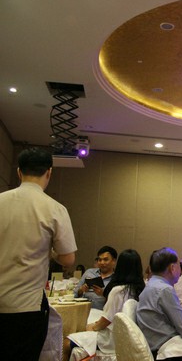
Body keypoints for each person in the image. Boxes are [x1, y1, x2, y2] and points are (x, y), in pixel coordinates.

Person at [0, 147, 77, 360]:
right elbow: (68, 259)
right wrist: (49, 252)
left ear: (19, 172)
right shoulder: (54, 208)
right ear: (49, 173)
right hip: (27, 306)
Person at [70, 249, 145, 359]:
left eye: (105, 259)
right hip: (125, 338)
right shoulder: (139, 290)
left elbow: (105, 321)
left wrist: (91, 327)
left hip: (109, 339)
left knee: (67, 342)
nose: (102, 262)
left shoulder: (118, 291)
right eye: (99, 260)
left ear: (117, 264)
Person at [137, 247, 182, 360]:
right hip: (166, 347)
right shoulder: (164, 289)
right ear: (172, 268)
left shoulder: (152, 284)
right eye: (179, 264)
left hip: (155, 343)